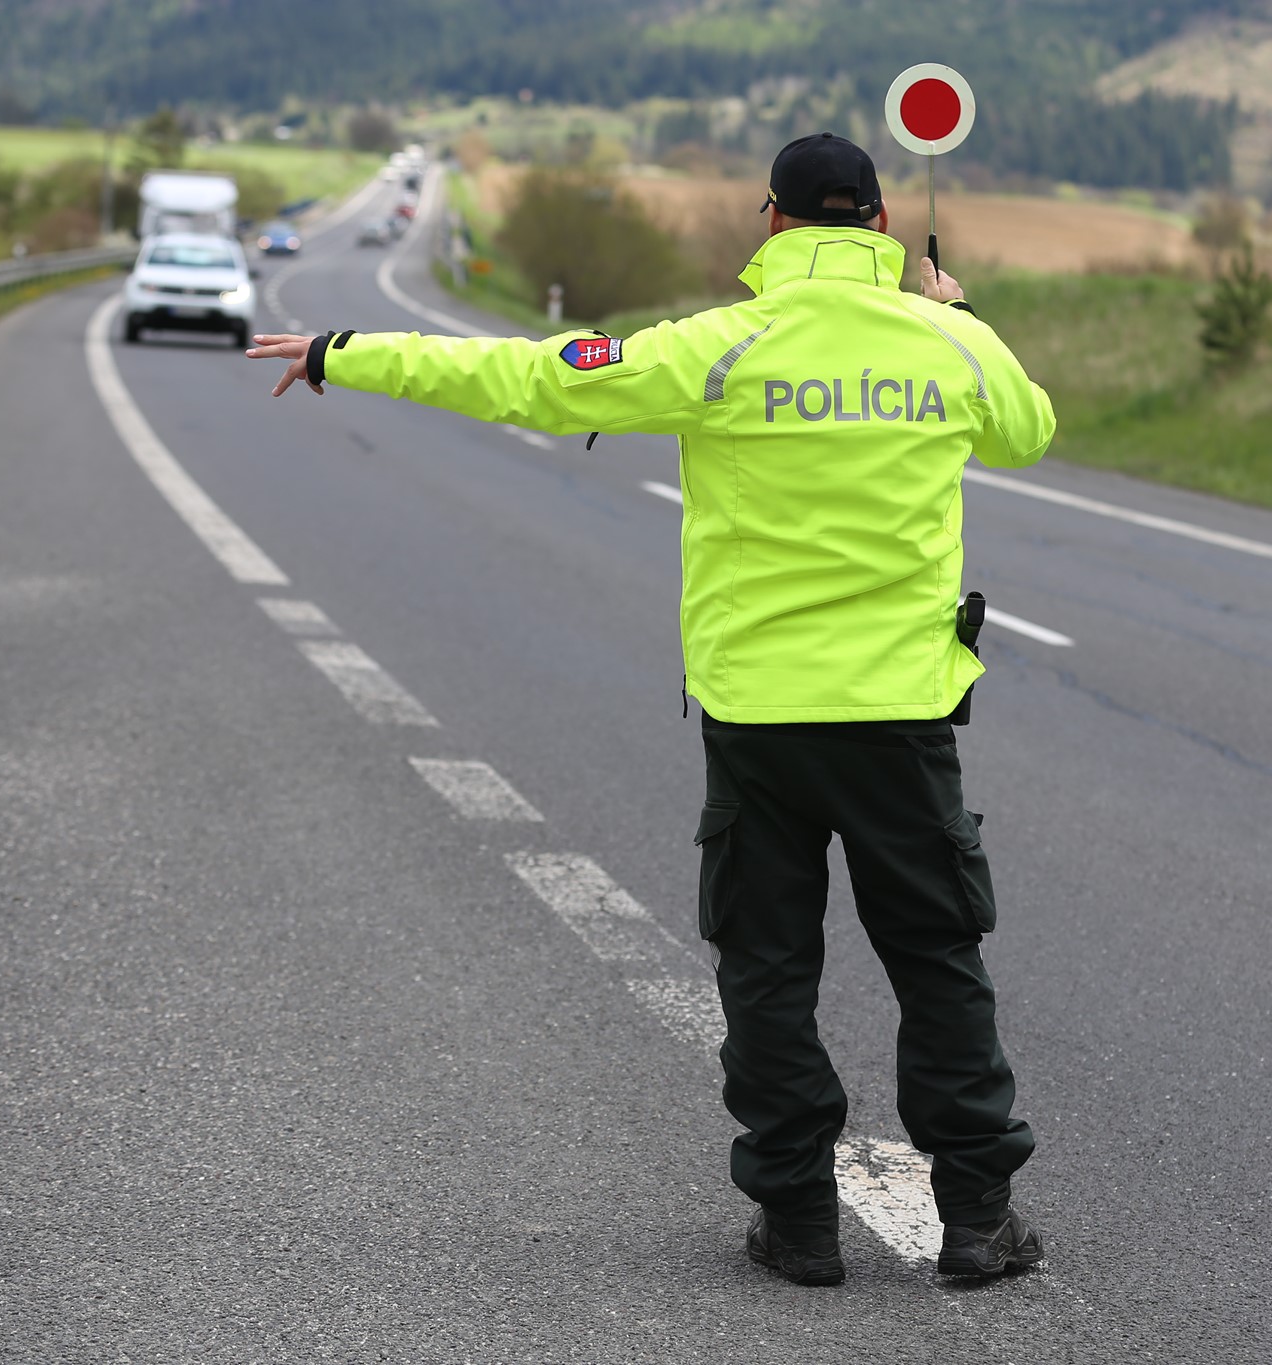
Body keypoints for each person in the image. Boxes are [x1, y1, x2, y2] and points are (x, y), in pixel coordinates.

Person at [246, 132, 1056, 1287]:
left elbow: (528, 378)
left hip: (760, 716)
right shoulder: (945, 343)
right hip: (901, 716)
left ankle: (799, 1220)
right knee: (935, 960)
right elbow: (1027, 429)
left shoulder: (717, 349)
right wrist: (956, 312)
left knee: (768, 966)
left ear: (770, 224)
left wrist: (343, 351)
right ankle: (977, 1219)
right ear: (879, 227)